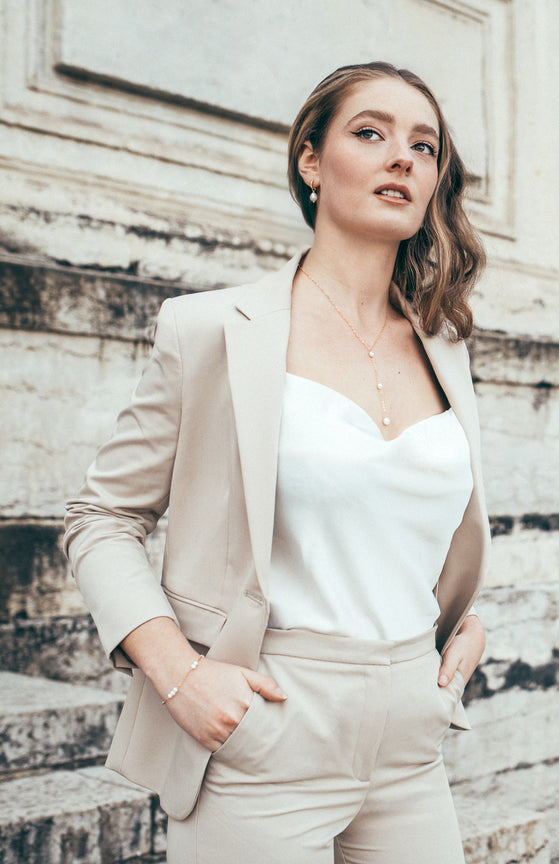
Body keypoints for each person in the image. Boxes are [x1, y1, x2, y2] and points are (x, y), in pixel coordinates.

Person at [64, 62, 489, 864]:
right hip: (266, 722)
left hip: (411, 732)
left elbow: (419, 521)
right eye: (371, 133)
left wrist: (466, 624)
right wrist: (179, 673)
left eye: (424, 146)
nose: (403, 157)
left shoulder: (447, 344)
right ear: (311, 161)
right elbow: (102, 517)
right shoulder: (210, 330)